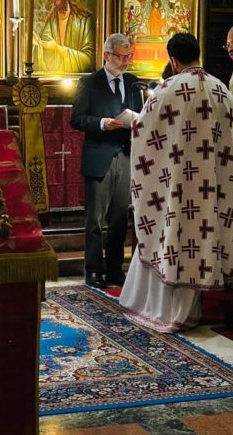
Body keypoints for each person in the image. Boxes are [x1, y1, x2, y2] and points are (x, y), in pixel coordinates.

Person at [120, 33, 233, 333]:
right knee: (200, 238)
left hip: (176, 183)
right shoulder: (221, 90)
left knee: (172, 238)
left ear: (173, 60)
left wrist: (131, 123)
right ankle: (189, 310)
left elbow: (144, 130)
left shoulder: (167, 89)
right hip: (210, 184)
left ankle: (165, 310)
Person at [70, 33, 144, 289]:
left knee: (120, 220)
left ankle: (115, 270)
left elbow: (141, 115)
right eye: (121, 57)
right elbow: (76, 119)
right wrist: (102, 123)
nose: (125, 62)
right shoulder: (89, 82)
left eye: (128, 56)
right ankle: (93, 270)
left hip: (125, 156)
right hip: (99, 156)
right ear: (106, 55)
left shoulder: (133, 83)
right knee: (95, 221)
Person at [35, 0, 95, 74]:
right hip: (55, 77)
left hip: (78, 79)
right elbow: (44, 53)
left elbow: (89, 59)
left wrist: (58, 48)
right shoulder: (51, 21)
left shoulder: (84, 19)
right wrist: (38, 43)